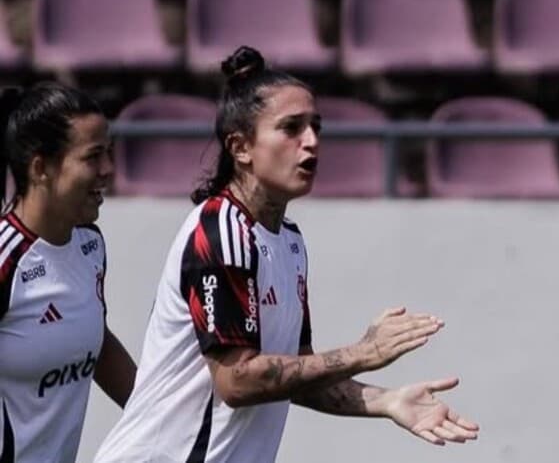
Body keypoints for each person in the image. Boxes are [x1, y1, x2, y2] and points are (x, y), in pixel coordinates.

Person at [95, 46, 478, 463]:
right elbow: (237, 380)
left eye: (316, 127)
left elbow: (297, 373)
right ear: (240, 147)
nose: (311, 141)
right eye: (291, 128)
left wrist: (387, 401)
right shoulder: (222, 232)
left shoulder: (289, 241)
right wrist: (363, 353)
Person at [0, 83, 137, 463]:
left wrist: (158, 415)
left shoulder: (90, 244)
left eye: (108, 152)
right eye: (93, 156)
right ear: (40, 168)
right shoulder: (6, 259)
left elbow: (95, 341)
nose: (108, 169)